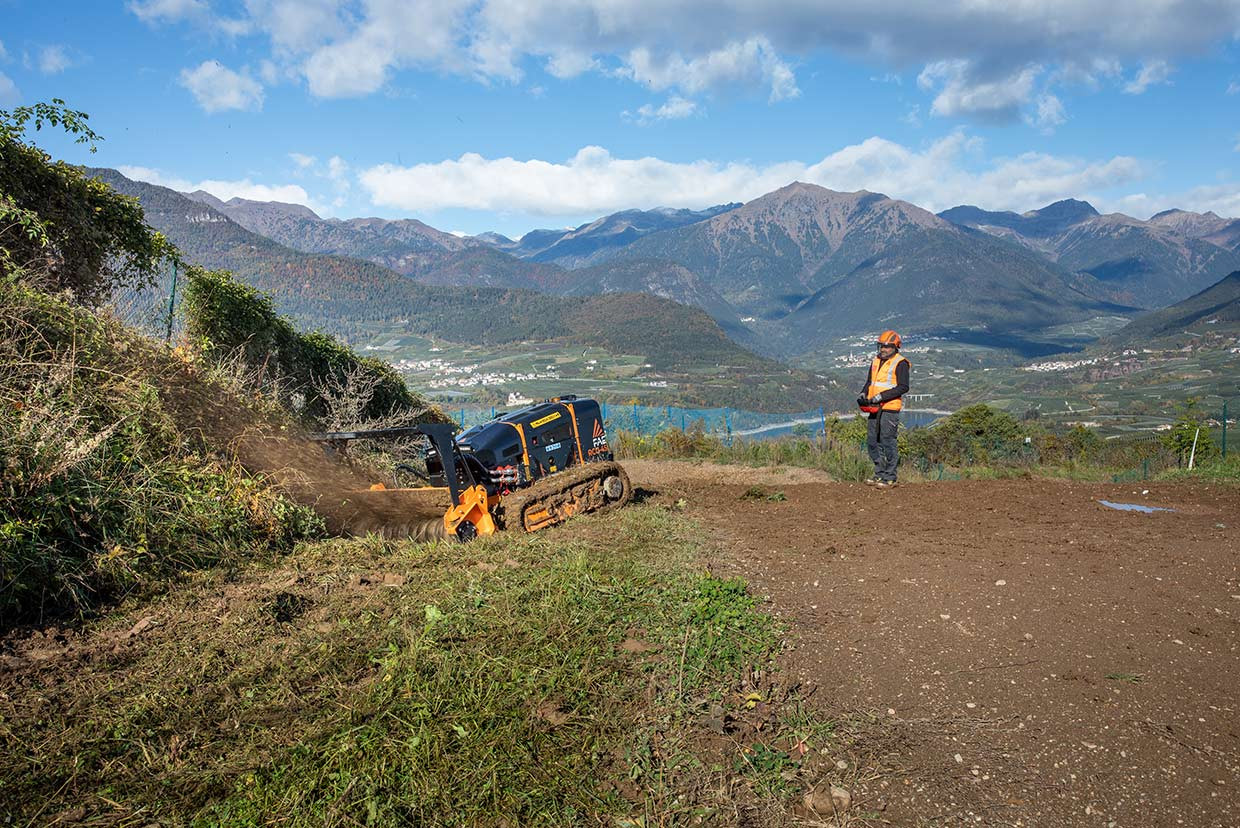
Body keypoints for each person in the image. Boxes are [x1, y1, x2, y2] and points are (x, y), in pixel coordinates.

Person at [857, 330, 909, 489]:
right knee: (873, 441)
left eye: (887, 346)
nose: (883, 349)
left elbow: (903, 387)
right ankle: (879, 473)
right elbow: (870, 382)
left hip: (889, 408)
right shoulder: (875, 361)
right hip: (874, 407)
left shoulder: (901, 363)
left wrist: (881, 397)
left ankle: (890, 477)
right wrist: (863, 394)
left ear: (895, 347)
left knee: (887, 440)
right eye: (881, 346)